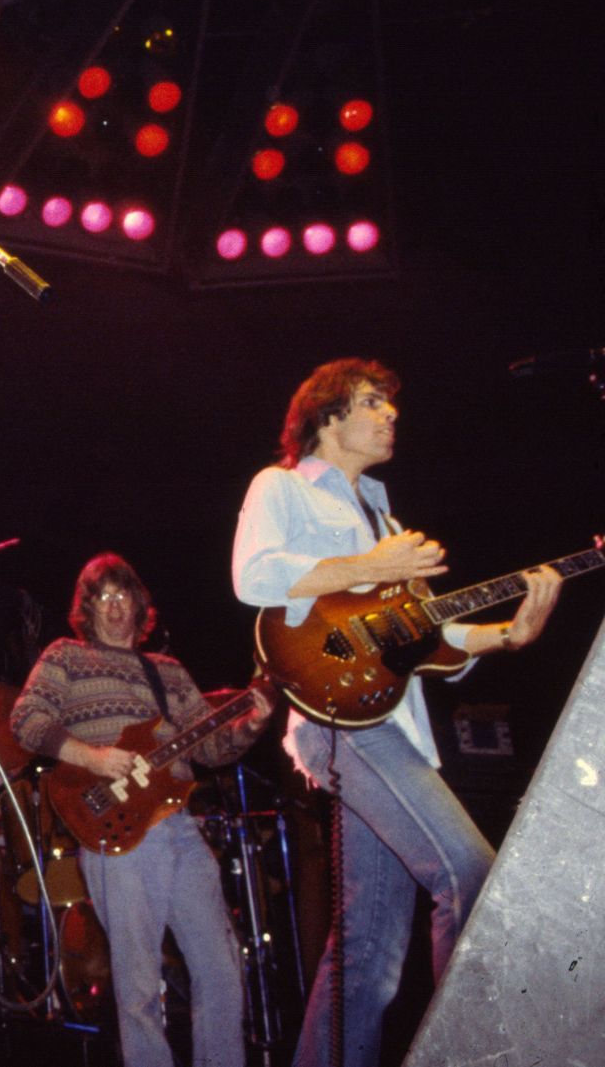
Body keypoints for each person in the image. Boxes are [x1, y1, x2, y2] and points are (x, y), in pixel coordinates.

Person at [231, 358, 562, 1067]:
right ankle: (469, 1052)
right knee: (470, 874)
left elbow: (429, 639)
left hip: (392, 724)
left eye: (390, 404)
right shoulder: (282, 486)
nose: (391, 415)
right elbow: (254, 574)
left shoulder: (386, 517)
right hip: (336, 725)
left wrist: (508, 634)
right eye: (373, 402)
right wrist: (370, 567)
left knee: (368, 949)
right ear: (328, 415)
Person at [10, 553, 273, 1067]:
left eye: (121, 596)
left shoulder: (169, 673)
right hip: (116, 825)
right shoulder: (65, 656)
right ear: (87, 608)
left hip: (178, 824)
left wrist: (252, 725)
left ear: (138, 605)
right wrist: (93, 757)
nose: (113, 607)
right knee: (137, 982)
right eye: (102, 598)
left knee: (221, 968)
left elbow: (213, 748)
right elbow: (26, 718)